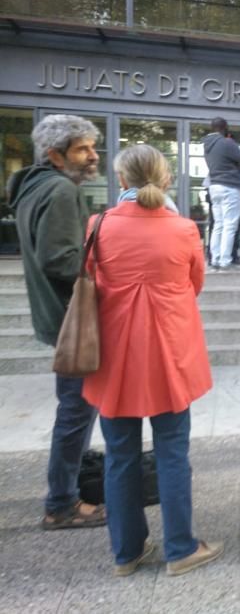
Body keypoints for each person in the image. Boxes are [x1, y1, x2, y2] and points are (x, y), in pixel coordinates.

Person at [81, 144, 222, 576]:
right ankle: (179, 548)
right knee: (172, 451)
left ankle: (126, 553)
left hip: (114, 356)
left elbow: (90, 279)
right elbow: (193, 284)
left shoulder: (98, 224)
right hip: (168, 353)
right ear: (165, 181)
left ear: (121, 180)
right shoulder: (183, 228)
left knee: (119, 455)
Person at [9, 114, 107, 531]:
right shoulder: (61, 190)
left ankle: (66, 490)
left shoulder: (31, 186)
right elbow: (60, 259)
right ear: (54, 154)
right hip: (73, 320)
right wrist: (107, 274)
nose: (92, 156)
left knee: (74, 410)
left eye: (91, 147)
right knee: (76, 412)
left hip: (58, 316)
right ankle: (62, 503)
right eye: (82, 149)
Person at [204, 117, 240, 271]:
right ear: (225, 128)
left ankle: (215, 259)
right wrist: (236, 163)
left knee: (218, 224)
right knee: (230, 225)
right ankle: (225, 261)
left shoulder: (207, 144)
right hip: (229, 187)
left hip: (214, 186)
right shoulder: (227, 143)